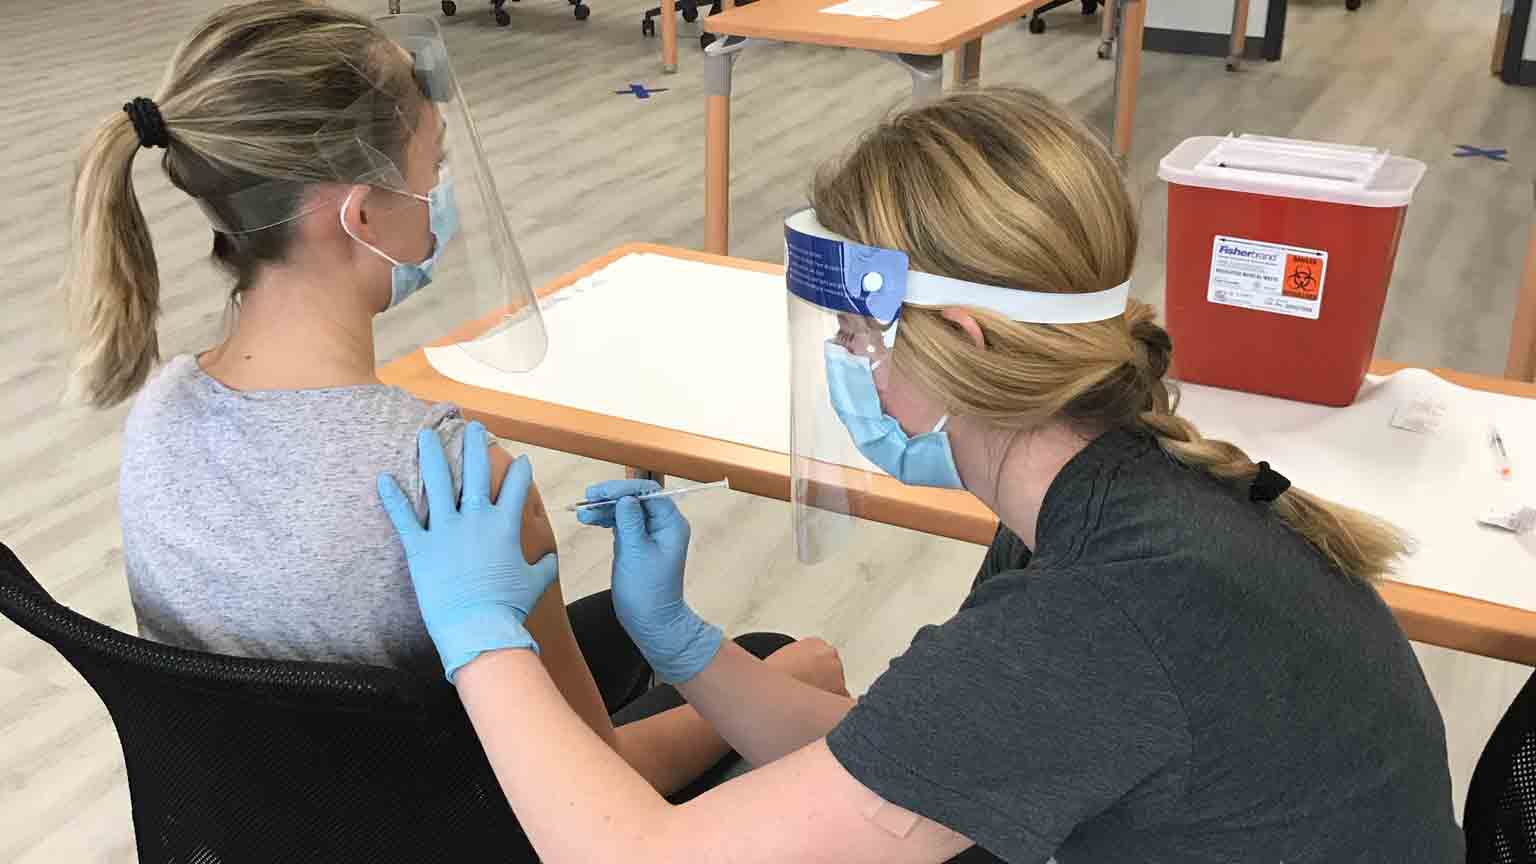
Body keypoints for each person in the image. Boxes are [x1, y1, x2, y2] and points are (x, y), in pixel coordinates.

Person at [378, 88, 1463, 862]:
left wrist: (482, 633)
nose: (851, 363)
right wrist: (679, 642)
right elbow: (891, 761)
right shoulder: (1108, 490)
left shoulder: (1091, 619)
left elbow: (635, 858)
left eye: (858, 337)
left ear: (963, 344)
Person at [57, 0, 843, 800]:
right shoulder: (461, 485)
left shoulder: (157, 414)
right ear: (361, 215)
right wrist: (796, 682)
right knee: (782, 656)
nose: (441, 194)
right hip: (466, 820)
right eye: (431, 170)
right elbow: (604, 782)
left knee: (618, 628)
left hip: (263, 815)